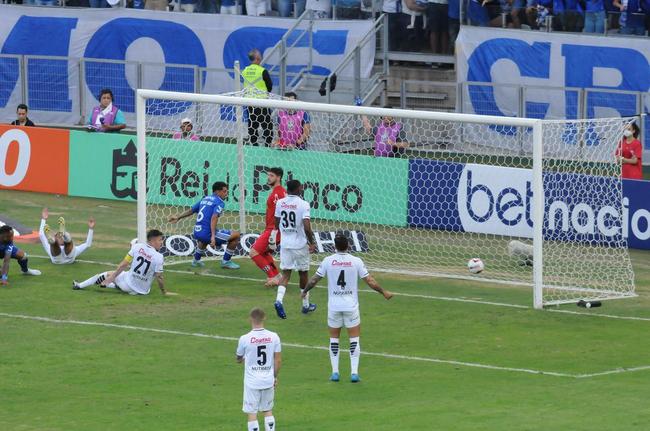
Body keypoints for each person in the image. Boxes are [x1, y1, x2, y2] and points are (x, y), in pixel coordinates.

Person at [301, 234, 393, 383]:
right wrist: (384, 292)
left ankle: (335, 372)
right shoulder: (356, 261)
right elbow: (369, 280)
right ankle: (354, 373)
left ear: (334, 246)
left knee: (334, 339)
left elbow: (314, 279)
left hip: (334, 307)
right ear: (348, 246)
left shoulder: (328, 261)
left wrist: (305, 291)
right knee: (354, 339)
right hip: (351, 307)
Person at [73, 229, 173, 296]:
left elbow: (124, 264)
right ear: (152, 241)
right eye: (160, 240)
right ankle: (112, 283)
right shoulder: (159, 257)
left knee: (107, 274)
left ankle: (79, 285)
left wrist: (112, 277)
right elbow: (159, 277)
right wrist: (164, 292)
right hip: (143, 291)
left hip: (128, 284)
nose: (162, 242)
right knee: (119, 279)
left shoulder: (137, 247)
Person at [168, 181, 241, 269]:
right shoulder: (219, 202)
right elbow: (214, 218)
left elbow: (191, 210)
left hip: (197, 232)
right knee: (236, 235)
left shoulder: (205, 198)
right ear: (217, 192)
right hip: (207, 234)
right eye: (224, 191)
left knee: (204, 239)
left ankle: (196, 260)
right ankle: (226, 261)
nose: (226, 194)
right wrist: (213, 237)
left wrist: (178, 217)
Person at [273, 179, 317, 319]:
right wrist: (312, 242)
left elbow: (276, 221)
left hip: (285, 244)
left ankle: (279, 300)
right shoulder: (303, 204)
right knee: (303, 273)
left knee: (286, 274)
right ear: (298, 189)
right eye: (301, 187)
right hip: (299, 244)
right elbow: (307, 227)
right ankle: (305, 304)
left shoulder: (280, 202)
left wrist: (283, 232)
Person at [236, 308, 281, 431]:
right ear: (264, 318)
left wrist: (242, 359)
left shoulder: (244, 338)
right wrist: (274, 377)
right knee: (267, 410)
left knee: (252, 413)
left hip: (252, 382)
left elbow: (238, 358)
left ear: (250, 319)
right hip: (268, 380)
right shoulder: (274, 336)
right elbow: (278, 360)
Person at [250, 168, 286, 286]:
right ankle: (277, 275)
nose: (268, 177)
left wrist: (275, 231)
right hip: (273, 229)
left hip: (274, 229)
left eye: (271, 175)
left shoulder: (277, 193)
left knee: (254, 252)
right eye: (268, 175)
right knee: (264, 253)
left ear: (278, 177)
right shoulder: (281, 192)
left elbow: (281, 213)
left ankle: (272, 277)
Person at [242, 49, 274, 147]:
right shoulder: (262, 71)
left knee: (252, 125)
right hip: (261, 103)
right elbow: (269, 85)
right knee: (267, 126)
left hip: (250, 103)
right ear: (257, 58)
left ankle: (254, 145)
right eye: (259, 55)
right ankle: (267, 146)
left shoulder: (245, 70)